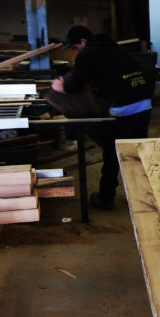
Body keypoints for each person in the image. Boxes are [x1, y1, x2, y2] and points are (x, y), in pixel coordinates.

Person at [46, 25, 152, 211]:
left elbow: (73, 85)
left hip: (125, 108)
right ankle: (144, 197)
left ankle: (105, 199)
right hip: (144, 105)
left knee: (112, 154)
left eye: (75, 47)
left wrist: (59, 87)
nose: (75, 51)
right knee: (137, 154)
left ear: (83, 41)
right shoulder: (118, 49)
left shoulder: (88, 53)